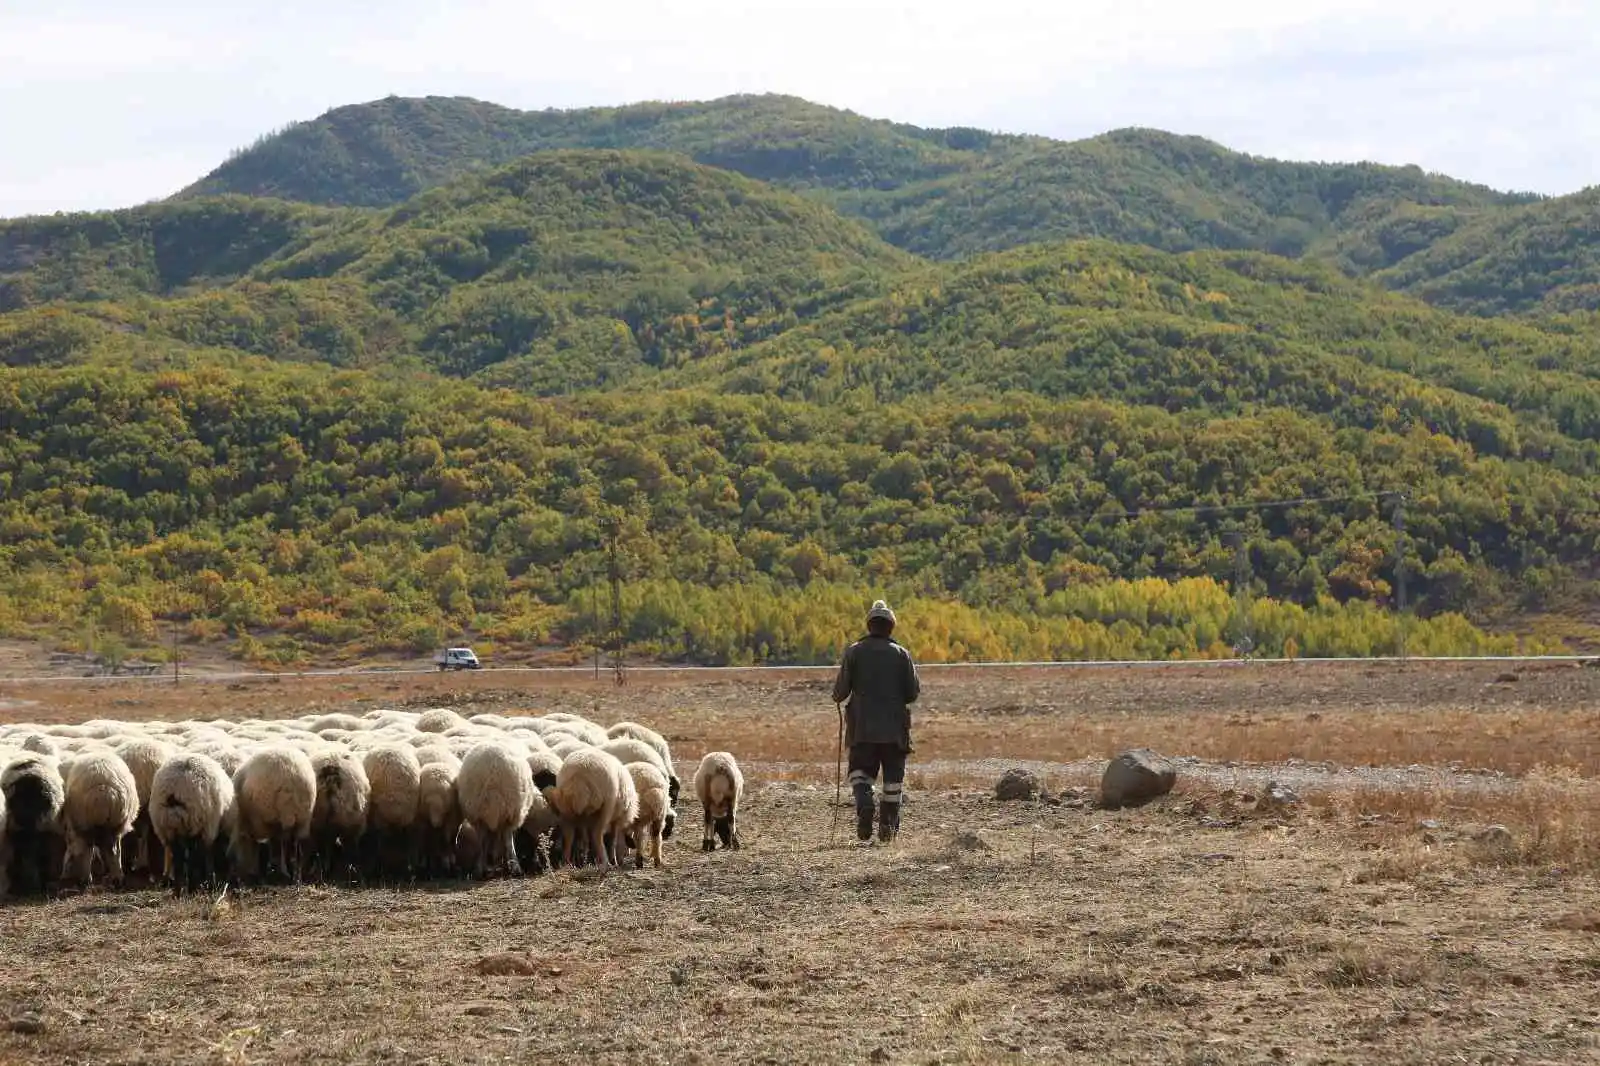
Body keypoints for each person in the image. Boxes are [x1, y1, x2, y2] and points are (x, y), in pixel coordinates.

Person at [831, 599, 920, 844]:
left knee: (860, 774)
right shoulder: (903, 655)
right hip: (894, 730)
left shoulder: (854, 651)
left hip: (862, 729)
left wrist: (839, 696)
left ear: (869, 625)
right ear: (891, 627)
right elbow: (912, 693)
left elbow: (840, 692)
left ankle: (866, 804)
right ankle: (888, 829)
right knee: (893, 781)